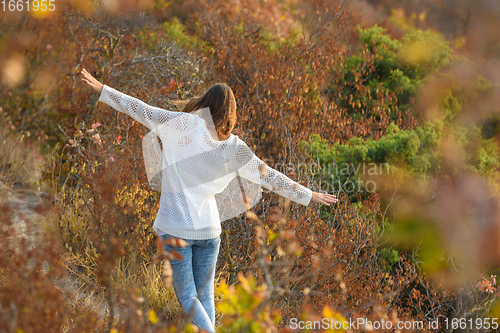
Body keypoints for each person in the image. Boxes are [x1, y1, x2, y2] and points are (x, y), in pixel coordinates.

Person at [80, 68, 337, 332]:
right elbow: (270, 177)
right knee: (204, 298)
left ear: (205, 103)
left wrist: (103, 89)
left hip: (175, 228)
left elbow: (139, 108)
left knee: (188, 298)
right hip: (209, 231)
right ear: (231, 113)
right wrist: (309, 194)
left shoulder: (180, 124)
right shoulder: (235, 148)